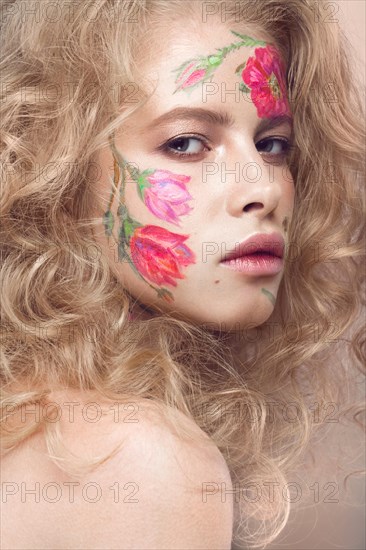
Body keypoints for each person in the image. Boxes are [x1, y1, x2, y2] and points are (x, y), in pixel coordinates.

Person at [1, 0, 364, 548]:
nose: (262, 188)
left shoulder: (39, 421)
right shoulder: (136, 460)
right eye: (187, 143)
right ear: (54, 169)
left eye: (272, 145)